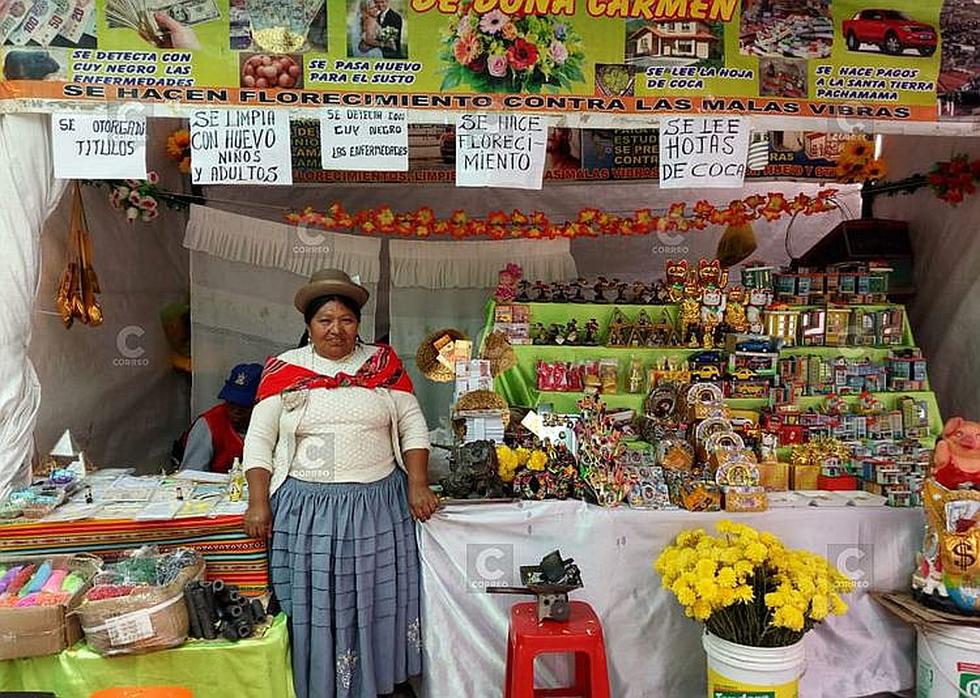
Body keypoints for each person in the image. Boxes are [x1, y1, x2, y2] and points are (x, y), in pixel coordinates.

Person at [243, 269, 437, 698]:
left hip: (378, 506)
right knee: (320, 600)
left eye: (346, 319)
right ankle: (318, 683)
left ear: (358, 324)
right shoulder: (285, 370)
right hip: (309, 511)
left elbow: (412, 423)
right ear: (308, 325)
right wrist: (258, 501)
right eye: (325, 320)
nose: (336, 329)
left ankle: (377, 680)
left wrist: (418, 483)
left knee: (373, 596)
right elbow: (259, 439)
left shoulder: (382, 365)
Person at [177, 363, 263, 473]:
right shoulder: (209, 424)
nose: (236, 410)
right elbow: (190, 475)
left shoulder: (272, 422)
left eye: (244, 405)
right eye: (231, 403)